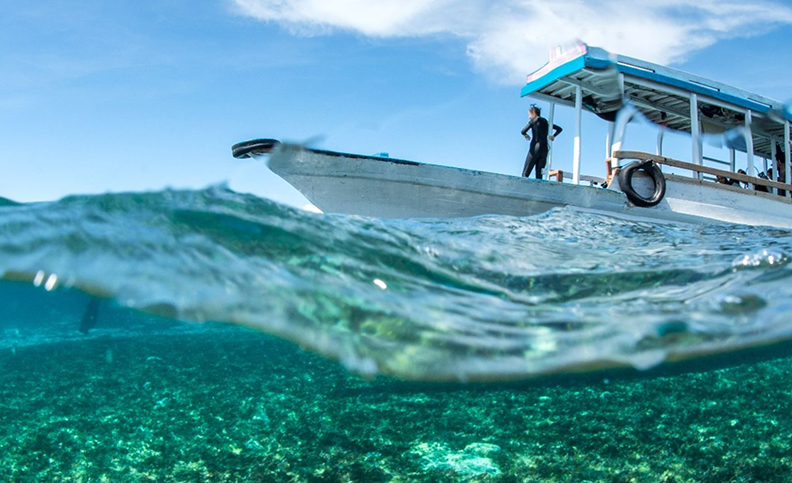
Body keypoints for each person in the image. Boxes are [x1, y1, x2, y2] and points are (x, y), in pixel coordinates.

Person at [521, 105, 563, 179]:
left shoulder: (533, 121)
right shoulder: (546, 122)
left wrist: (525, 135)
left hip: (535, 147)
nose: (528, 117)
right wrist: (553, 136)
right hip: (544, 148)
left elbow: (523, 131)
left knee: (525, 173)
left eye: (529, 114)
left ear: (533, 113)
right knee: (539, 174)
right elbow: (559, 129)